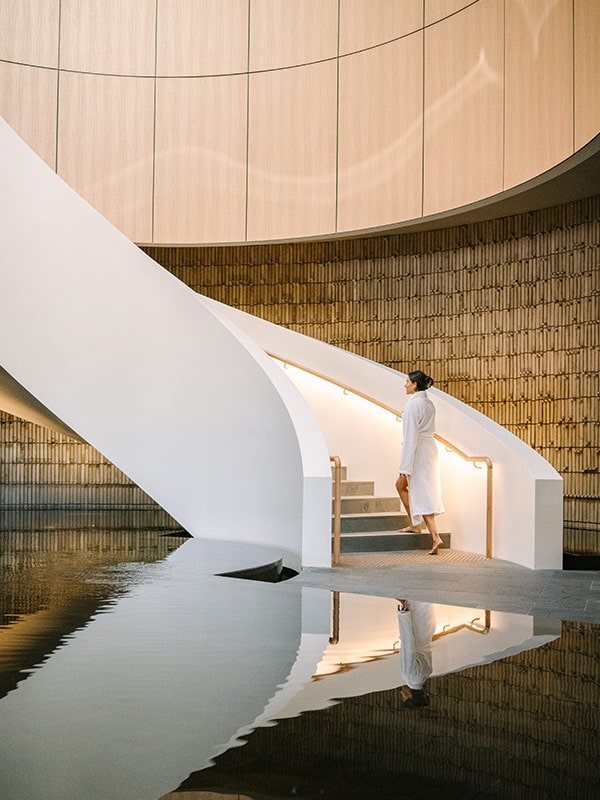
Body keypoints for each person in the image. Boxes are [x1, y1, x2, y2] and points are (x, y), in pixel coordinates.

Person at [395, 369, 445, 554]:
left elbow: (410, 438)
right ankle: (415, 524)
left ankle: (435, 537)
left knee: (420, 492)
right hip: (429, 449)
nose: (405, 384)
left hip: (418, 452)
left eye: (407, 381)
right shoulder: (429, 403)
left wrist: (405, 467)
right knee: (412, 488)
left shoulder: (413, 405)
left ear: (415, 384)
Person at [396, 599, 436, 709]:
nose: (401, 694)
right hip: (415, 629)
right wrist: (403, 613)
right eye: (404, 697)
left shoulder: (426, 674)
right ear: (410, 696)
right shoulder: (410, 676)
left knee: (426, 599)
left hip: (426, 631)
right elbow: (407, 645)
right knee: (417, 597)